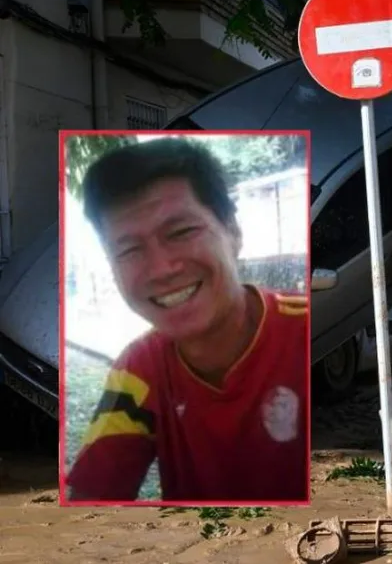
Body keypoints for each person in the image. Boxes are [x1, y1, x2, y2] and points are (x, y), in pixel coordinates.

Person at [65, 138, 308, 503]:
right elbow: (90, 500)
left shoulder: (304, 333)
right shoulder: (139, 369)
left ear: (233, 233)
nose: (161, 269)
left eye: (181, 232)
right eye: (130, 250)